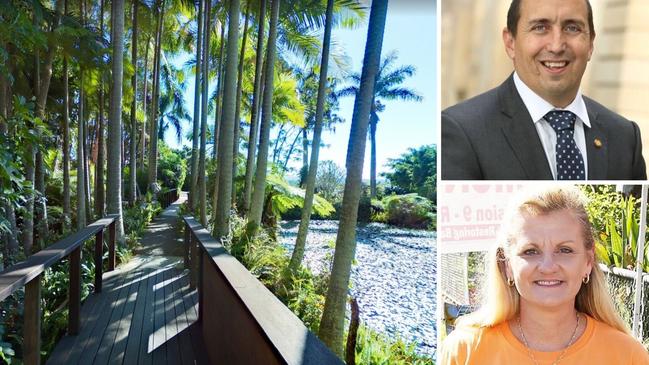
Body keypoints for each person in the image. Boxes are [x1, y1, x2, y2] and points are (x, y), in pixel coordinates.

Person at [439, 186, 649, 364]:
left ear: (588, 262)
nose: (548, 266)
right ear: (507, 265)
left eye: (565, 250)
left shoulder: (628, 356)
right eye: (530, 251)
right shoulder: (465, 351)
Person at [441, 0, 646, 180]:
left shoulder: (625, 137)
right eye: (540, 27)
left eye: (572, 28)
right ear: (510, 42)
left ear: (591, 43)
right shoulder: (461, 131)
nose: (556, 46)